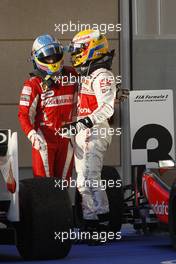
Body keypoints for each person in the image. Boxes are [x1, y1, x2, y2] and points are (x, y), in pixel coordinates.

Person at [60, 29, 117, 237]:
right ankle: (91, 223)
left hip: (96, 131)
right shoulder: (86, 72)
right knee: (82, 182)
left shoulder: (103, 75)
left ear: (92, 49)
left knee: (93, 178)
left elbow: (107, 109)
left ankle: (103, 222)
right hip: (82, 132)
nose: (75, 54)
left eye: (79, 50)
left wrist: (81, 124)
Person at [18, 34, 77, 179]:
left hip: (67, 137)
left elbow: (91, 85)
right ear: (36, 58)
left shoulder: (72, 74)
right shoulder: (32, 83)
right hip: (44, 139)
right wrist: (32, 134)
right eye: (47, 57)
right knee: (44, 184)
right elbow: (24, 114)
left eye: (55, 56)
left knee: (64, 183)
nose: (52, 61)